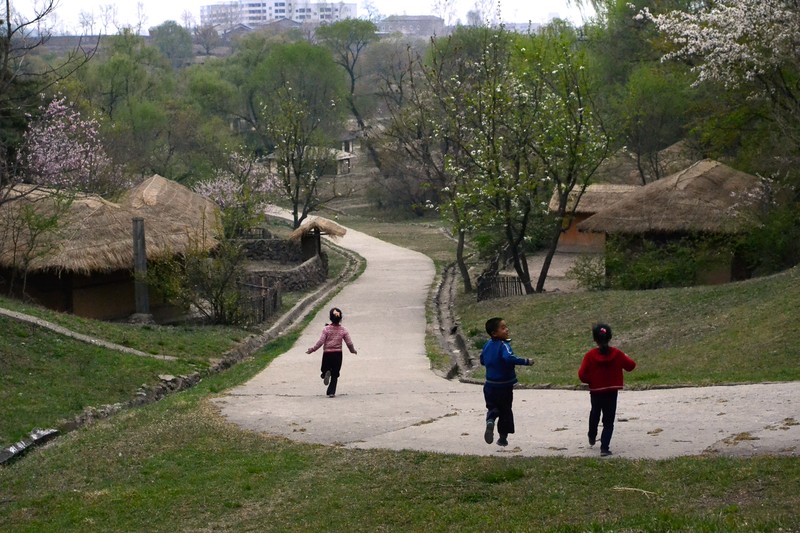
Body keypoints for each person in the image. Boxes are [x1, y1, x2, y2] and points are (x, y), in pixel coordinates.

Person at [578, 323, 637, 457]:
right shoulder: (617, 353)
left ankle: (592, 435)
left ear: (594, 339)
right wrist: (625, 356)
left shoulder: (590, 355)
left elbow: (582, 374)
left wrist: (590, 380)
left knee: (595, 413)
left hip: (596, 391)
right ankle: (604, 448)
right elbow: (631, 366)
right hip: (611, 392)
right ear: (610, 337)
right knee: (608, 420)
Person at [480, 317, 534, 447]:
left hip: (489, 386)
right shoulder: (503, 345)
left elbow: (482, 360)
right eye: (503, 328)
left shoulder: (487, 345)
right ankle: (503, 438)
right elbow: (508, 358)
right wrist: (526, 361)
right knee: (505, 410)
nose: (507, 329)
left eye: (506, 326)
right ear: (494, 333)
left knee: (492, 407)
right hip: (504, 386)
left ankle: (490, 420)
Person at [306, 307, 357, 397]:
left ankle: (326, 372)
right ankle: (331, 392)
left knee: (324, 369)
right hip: (338, 354)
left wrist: (312, 349)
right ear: (341, 318)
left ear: (330, 318)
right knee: (335, 374)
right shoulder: (343, 330)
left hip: (327, 354)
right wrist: (352, 350)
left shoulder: (326, 329)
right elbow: (349, 343)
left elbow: (320, 341)